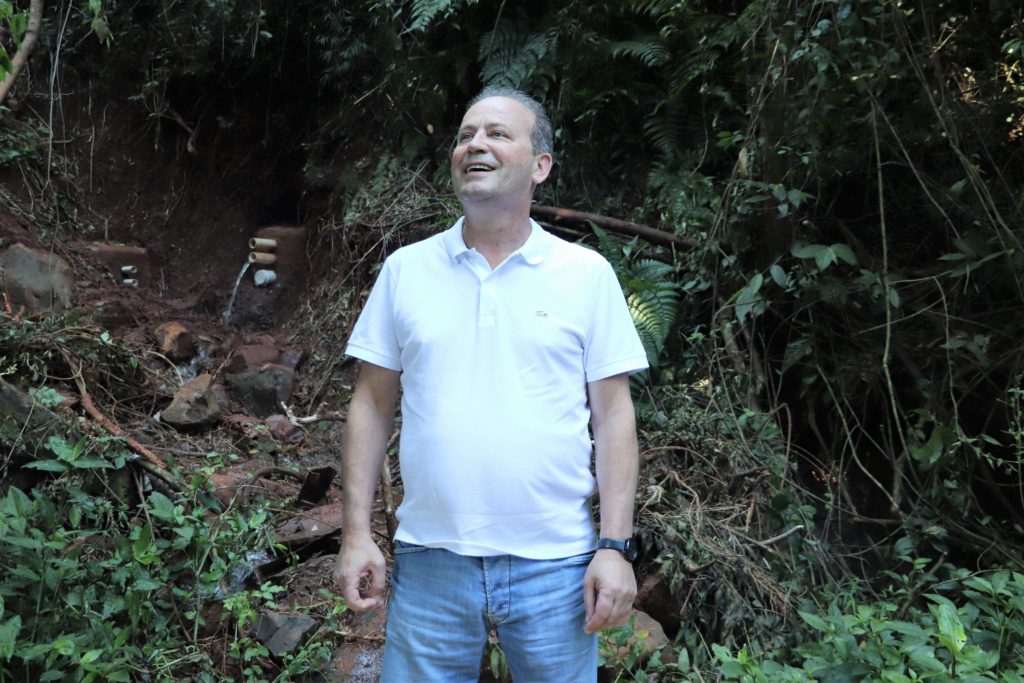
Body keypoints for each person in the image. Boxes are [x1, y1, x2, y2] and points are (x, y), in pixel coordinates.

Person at [333, 86, 649, 682]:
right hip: (431, 561)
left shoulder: (586, 275)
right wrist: (356, 533)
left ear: (540, 166)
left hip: (556, 565)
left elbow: (614, 418)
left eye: (498, 133)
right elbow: (370, 405)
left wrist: (615, 546)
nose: (475, 144)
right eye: (465, 135)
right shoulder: (405, 271)